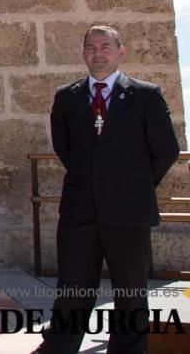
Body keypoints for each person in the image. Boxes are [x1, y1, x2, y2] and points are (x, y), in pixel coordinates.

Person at [34, 24, 179, 354]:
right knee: (73, 287)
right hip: (79, 211)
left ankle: (128, 349)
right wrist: (95, 182)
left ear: (120, 52)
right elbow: (65, 148)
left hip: (130, 213)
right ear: (83, 53)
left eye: (105, 47)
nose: (98, 53)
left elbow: (166, 150)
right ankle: (59, 346)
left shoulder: (145, 95)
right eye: (91, 48)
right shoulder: (67, 97)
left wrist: (134, 185)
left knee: (130, 290)